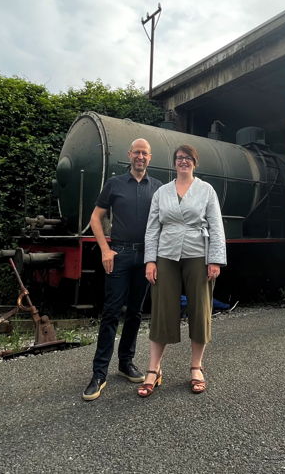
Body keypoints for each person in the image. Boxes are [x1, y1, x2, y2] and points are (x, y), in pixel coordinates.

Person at [140, 144, 226, 396]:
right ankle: (154, 369)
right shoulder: (162, 192)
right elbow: (152, 227)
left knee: (200, 309)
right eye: (179, 158)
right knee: (162, 308)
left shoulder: (206, 190)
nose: (183, 162)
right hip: (165, 254)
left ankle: (196, 367)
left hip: (198, 254)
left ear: (195, 163)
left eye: (188, 158)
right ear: (174, 162)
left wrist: (215, 260)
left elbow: (216, 226)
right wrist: (150, 260)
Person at [83, 138, 162, 401]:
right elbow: (96, 218)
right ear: (129, 155)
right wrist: (105, 249)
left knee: (136, 314)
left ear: (150, 158)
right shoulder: (114, 184)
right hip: (120, 254)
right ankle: (98, 373)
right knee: (111, 312)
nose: (140, 157)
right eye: (137, 152)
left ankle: (126, 363)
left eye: (145, 153)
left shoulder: (158, 188)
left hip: (147, 255)